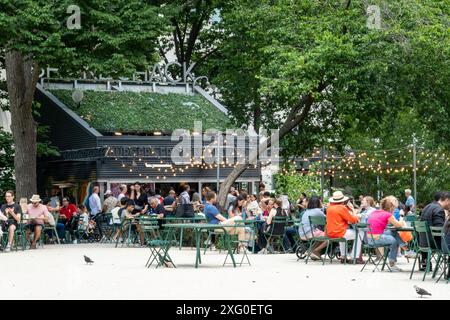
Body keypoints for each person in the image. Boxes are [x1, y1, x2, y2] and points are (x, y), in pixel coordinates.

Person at [367, 196, 406, 272]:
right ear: (391, 207)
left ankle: (402, 245)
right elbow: (399, 225)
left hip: (369, 238)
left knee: (392, 232)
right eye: (394, 208)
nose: (395, 209)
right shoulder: (387, 214)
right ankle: (392, 264)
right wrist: (401, 216)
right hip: (375, 239)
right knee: (393, 241)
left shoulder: (375, 212)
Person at [326, 191, 364, 264]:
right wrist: (352, 209)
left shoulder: (329, 208)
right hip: (339, 233)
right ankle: (354, 257)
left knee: (343, 234)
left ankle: (343, 256)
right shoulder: (342, 208)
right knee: (360, 233)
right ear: (343, 200)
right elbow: (353, 220)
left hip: (330, 233)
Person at [419, 191, 450, 271]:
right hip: (434, 243)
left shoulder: (428, 206)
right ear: (447, 200)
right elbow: (440, 230)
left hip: (423, 242)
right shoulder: (439, 209)